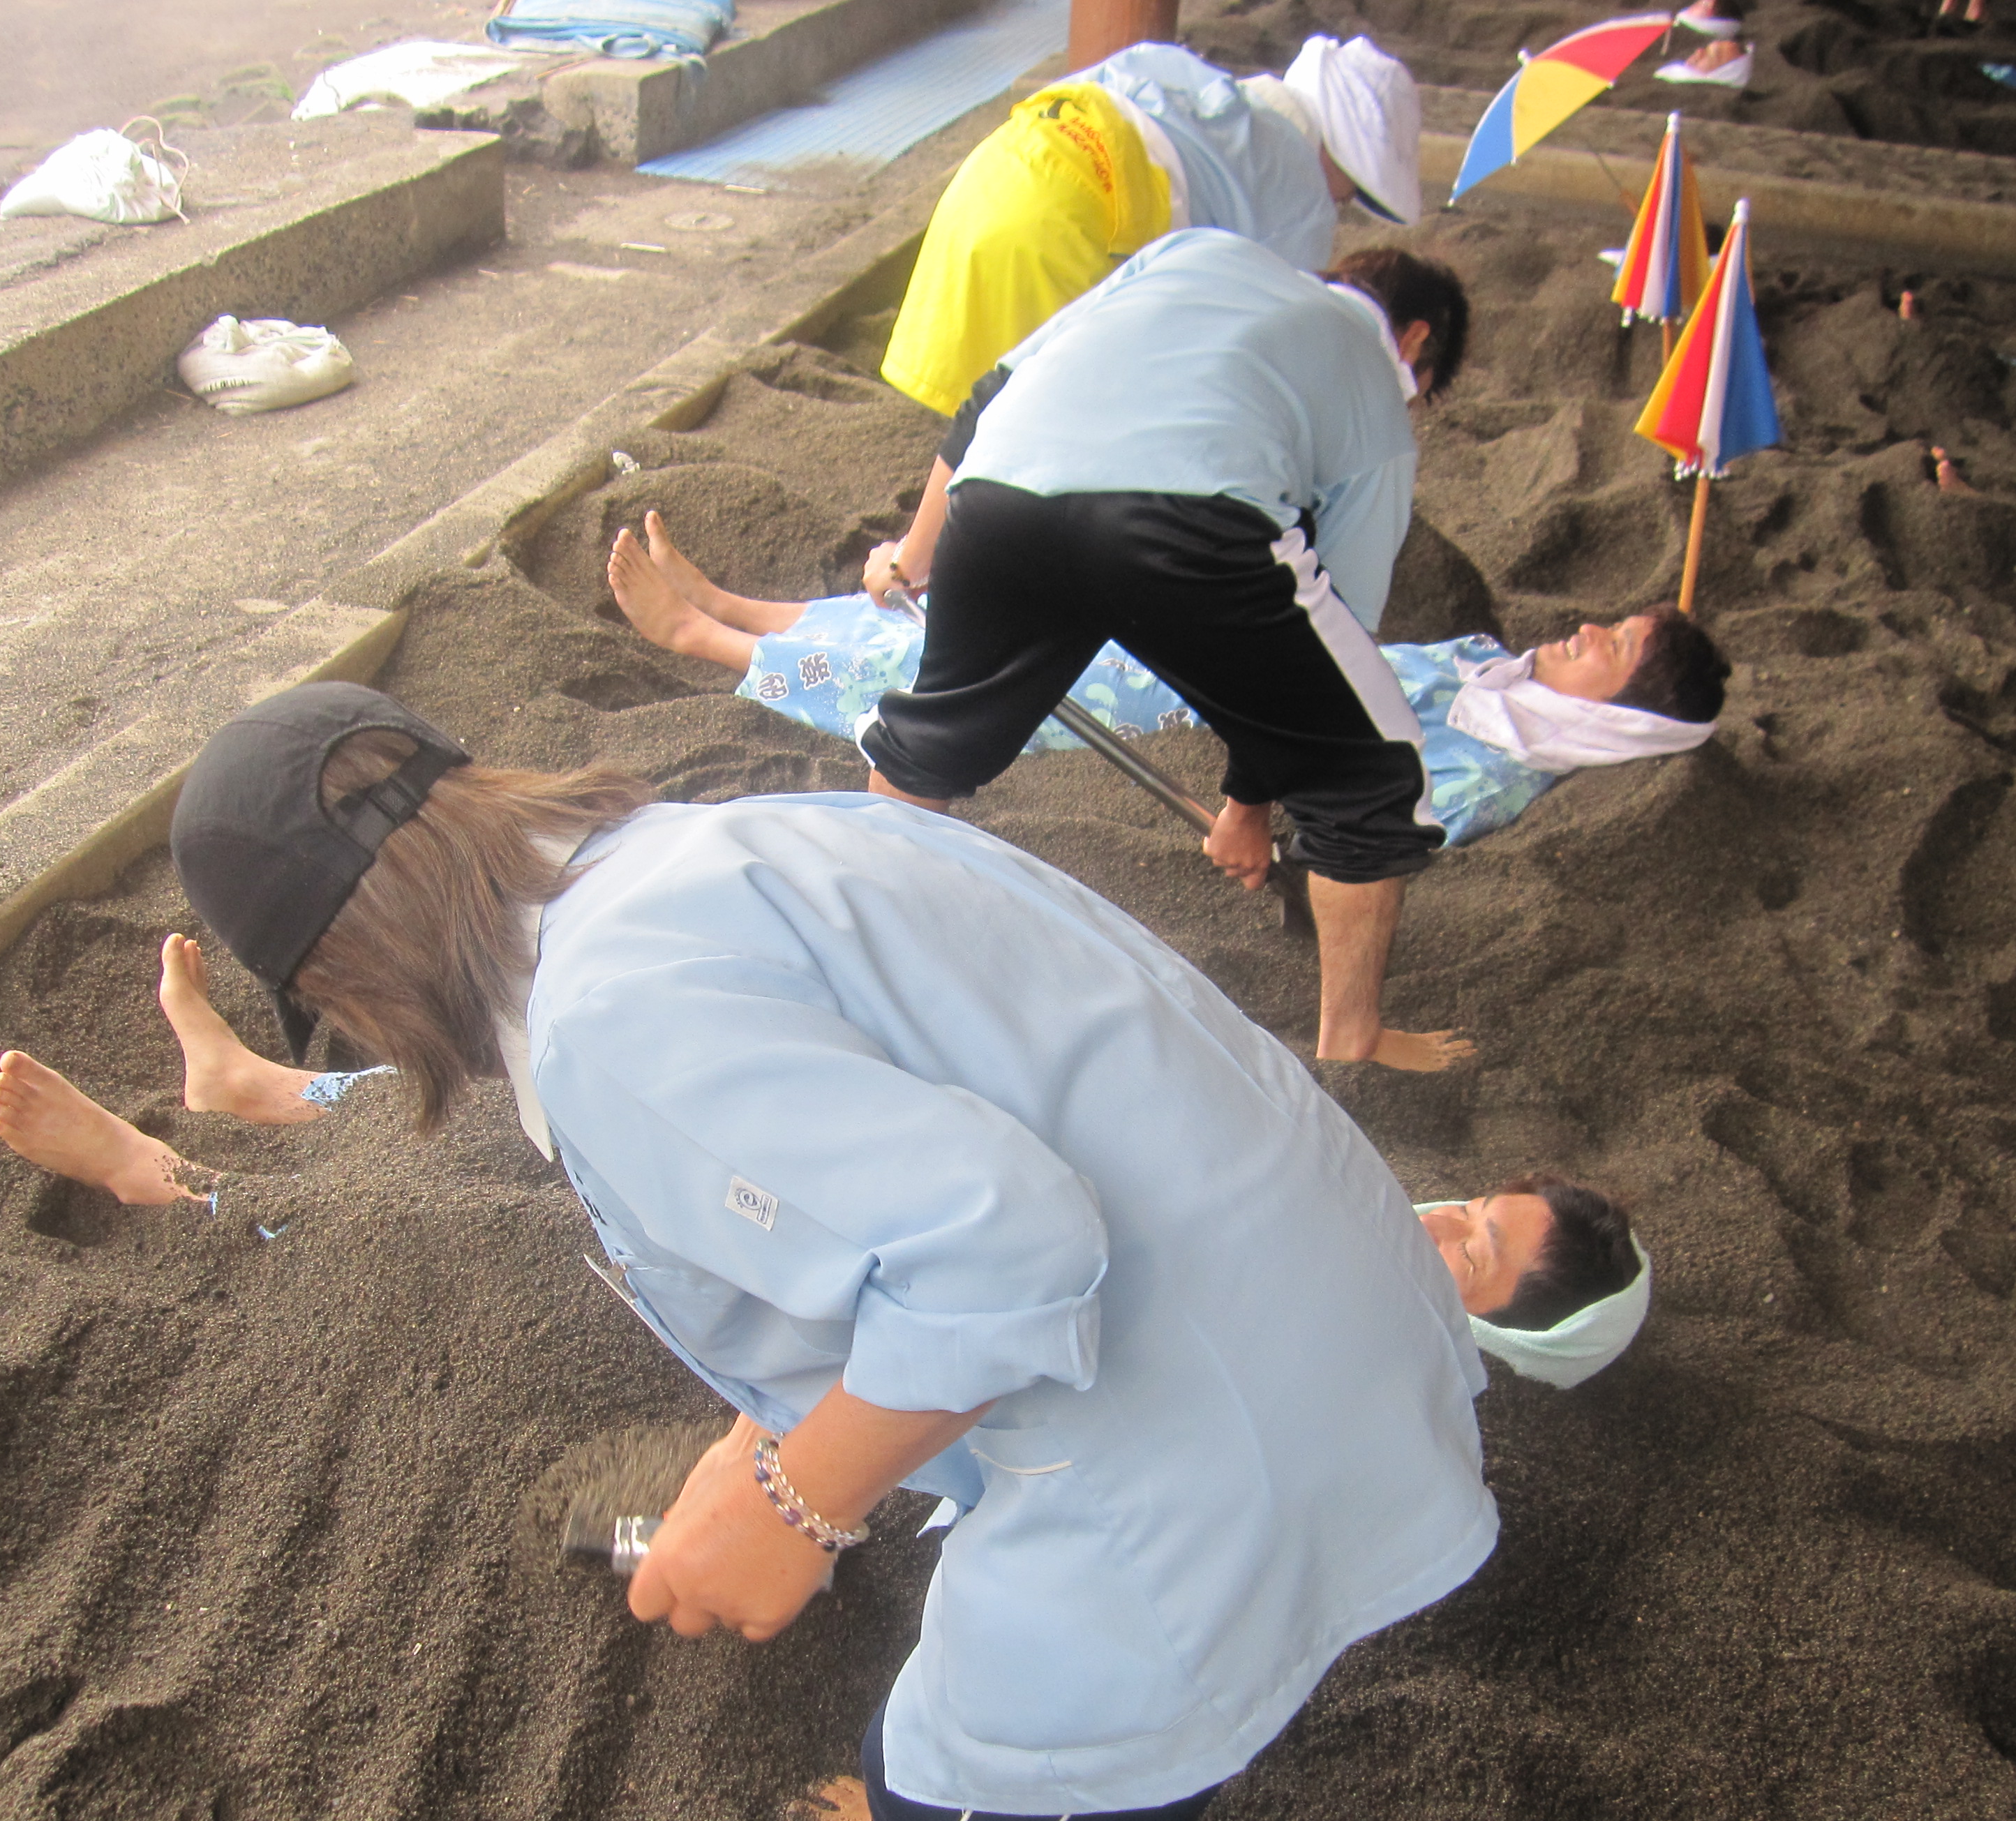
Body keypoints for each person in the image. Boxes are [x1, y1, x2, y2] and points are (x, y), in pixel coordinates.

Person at [0, 678, 1653, 1821]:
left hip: (1200, 1453)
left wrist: (795, 1500)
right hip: (1321, 1310)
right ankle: (978, 1810)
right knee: (1034, 1728)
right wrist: (766, 1438)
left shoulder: (608, 1015)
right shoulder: (718, 844)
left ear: (351, 968)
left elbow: (1006, 1254)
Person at [851, 230, 1492, 1070]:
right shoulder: (1375, 391)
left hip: (1002, 490)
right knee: (1372, 778)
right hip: (1186, 520)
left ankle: (866, 961)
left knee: (930, 742)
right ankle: (1353, 1041)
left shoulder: (1196, 251)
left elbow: (992, 394)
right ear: (1414, 342)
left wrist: (911, 555)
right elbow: (1320, 657)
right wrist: (1248, 807)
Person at [606, 508, 1730, 861]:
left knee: (949, 668)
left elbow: (1362, 812)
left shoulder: (1492, 770)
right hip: (1222, 649)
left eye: (1614, 648)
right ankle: (743, 607)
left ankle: (706, 640)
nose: (1589, 630)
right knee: (973, 613)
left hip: (1190, 701)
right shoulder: (1493, 672)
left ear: (1613, 717)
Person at [864, 34, 1421, 607]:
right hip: (1074, 225)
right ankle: (933, 576)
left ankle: (929, 566)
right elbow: (1256, 346)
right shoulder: (1301, 196)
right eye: (1352, 190)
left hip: (993, 173)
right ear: (1343, 154)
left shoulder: (1190, 81)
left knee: (1007, 417)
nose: (1342, 204)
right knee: (1039, 448)